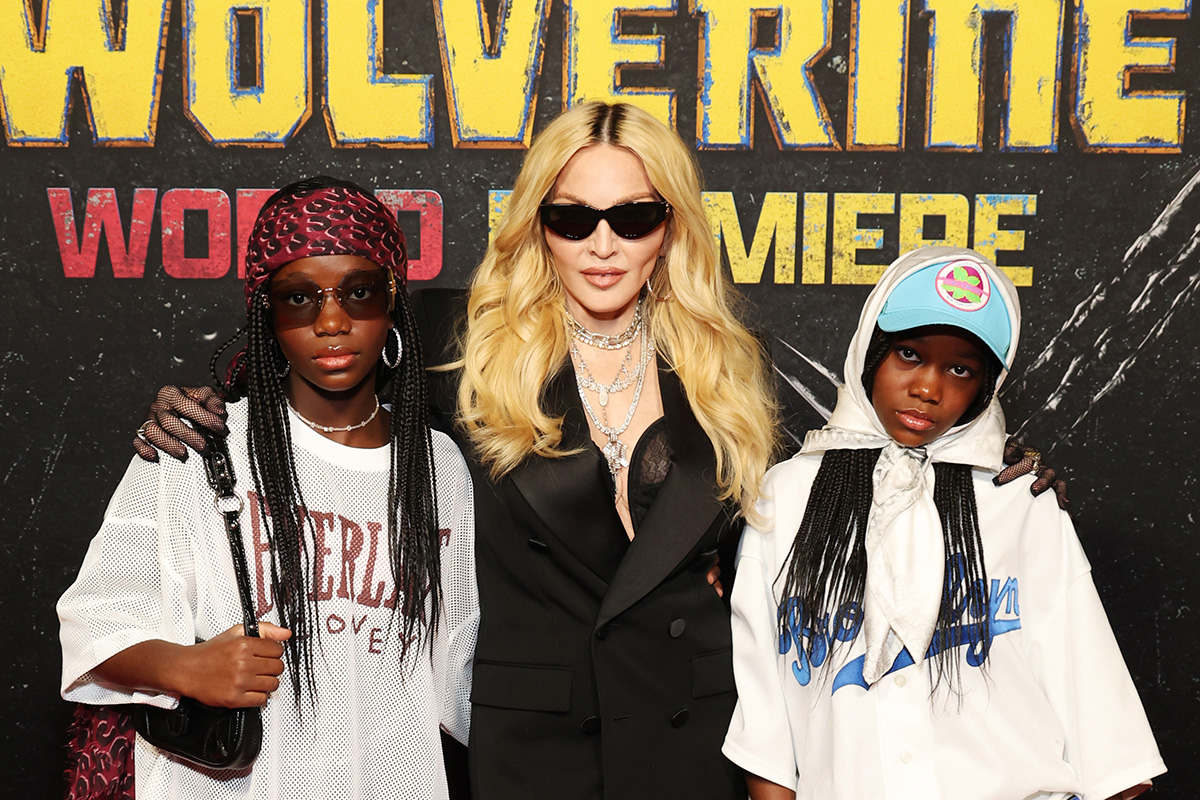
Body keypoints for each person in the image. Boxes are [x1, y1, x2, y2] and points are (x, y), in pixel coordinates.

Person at [131, 108, 1063, 799]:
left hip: (693, 727)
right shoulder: (455, 337)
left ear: (673, 224)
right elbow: (314, 346)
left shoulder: (733, 366)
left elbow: (839, 486)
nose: (604, 244)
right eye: (573, 218)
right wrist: (208, 398)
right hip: (532, 739)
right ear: (538, 221)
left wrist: (985, 459)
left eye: (634, 217)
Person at [58, 177, 477, 799]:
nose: (332, 322)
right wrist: (187, 668)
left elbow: (460, 683)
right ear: (265, 313)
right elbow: (93, 625)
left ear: (393, 303)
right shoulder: (200, 445)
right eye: (298, 298)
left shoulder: (438, 467)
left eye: (359, 293)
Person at [722, 246, 1165, 800]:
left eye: (960, 369)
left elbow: (1093, 700)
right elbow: (766, 717)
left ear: (986, 386)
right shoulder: (786, 497)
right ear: (870, 352)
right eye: (908, 354)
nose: (929, 388)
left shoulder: (1018, 496)